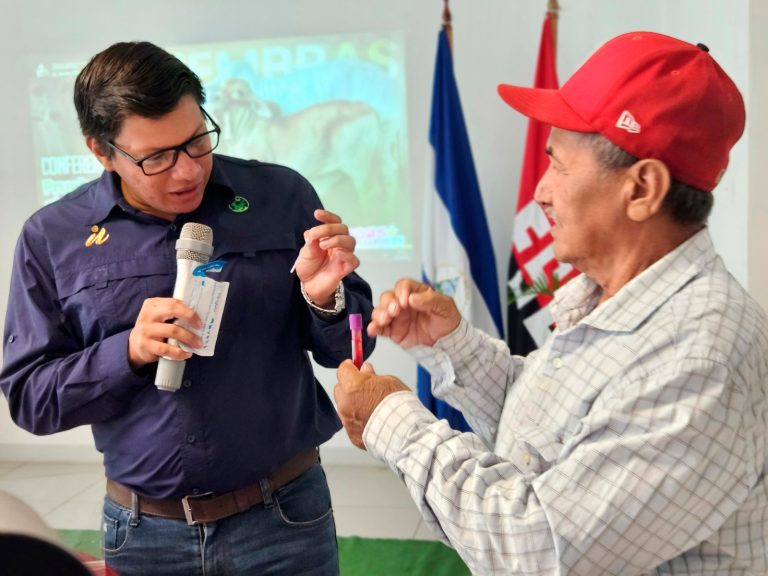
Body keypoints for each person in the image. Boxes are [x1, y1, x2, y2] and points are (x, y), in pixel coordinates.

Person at [334, 31, 767, 575]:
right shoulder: (610, 296)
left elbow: (538, 546)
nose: (540, 192)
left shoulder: (702, 361)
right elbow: (546, 424)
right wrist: (453, 345)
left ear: (642, 189)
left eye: (558, 164)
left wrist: (388, 417)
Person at [0, 41, 375, 576]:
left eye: (197, 140)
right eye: (155, 157)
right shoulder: (51, 238)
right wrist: (127, 351)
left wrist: (324, 299)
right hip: (145, 532)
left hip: (286, 520)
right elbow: (31, 399)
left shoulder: (281, 195)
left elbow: (350, 349)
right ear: (101, 151)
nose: (186, 172)